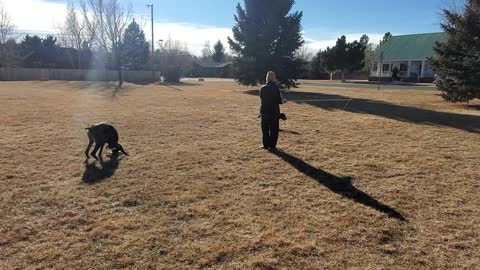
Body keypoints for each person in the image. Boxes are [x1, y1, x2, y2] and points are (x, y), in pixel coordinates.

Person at [259, 71, 285, 151]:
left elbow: (261, 98)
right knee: (274, 130)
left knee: (265, 129)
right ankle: (272, 146)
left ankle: (265, 145)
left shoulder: (262, 87)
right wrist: (284, 101)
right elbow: (280, 101)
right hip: (274, 112)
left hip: (264, 111)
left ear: (267, 78)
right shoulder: (276, 88)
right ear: (274, 78)